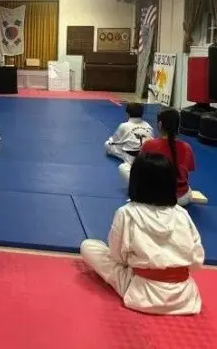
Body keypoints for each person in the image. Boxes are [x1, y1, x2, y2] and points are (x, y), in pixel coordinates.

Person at [80, 152, 205, 315]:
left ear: (135, 181)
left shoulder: (127, 213)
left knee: (89, 246)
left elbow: (117, 257)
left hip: (142, 293)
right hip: (185, 297)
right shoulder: (182, 214)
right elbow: (196, 261)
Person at [119, 108, 195, 206]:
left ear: (160, 124)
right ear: (177, 126)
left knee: (123, 167)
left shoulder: (149, 144)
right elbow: (189, 169)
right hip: (182, 199)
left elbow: (138, 169)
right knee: (186, 188)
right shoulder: (186, 147)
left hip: (153, 197)